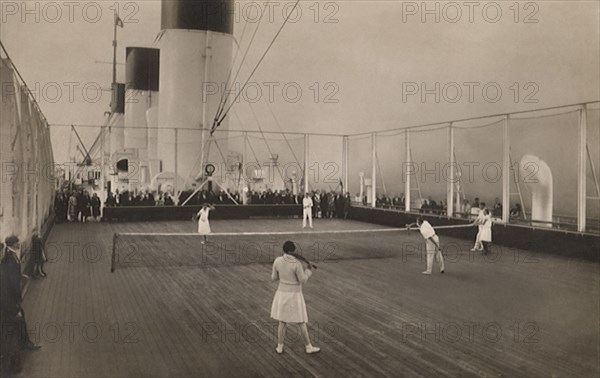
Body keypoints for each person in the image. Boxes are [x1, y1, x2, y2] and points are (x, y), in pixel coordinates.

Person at [270, 241, 320, 354]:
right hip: (295, 295)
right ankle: (308, 347)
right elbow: (303, 280)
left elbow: (273, 278)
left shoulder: (277, 261)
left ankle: (280, 347)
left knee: (282, 322)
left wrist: (283, 276)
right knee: (301, 321)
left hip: (281, 294)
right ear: (293, 250)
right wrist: (308, 270)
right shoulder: (297, 264)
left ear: (284, 250)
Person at [0, 235, 41, 374]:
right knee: (11, 330)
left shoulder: (12, 257)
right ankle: (12, 363)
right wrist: (16, 304)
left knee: (19, 322)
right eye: (17, 242)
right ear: (13, 244)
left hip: (10, 302)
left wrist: (21, 277)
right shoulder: (9, 261)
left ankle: (25, 343)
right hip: (10, 303)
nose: (19, 243)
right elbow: (9, 285)